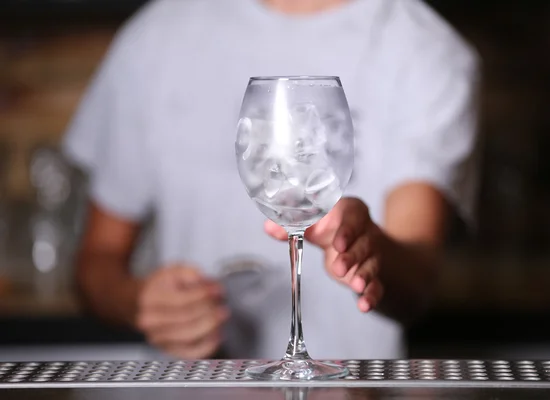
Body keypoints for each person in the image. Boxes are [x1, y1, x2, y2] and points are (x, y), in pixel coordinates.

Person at [62, 0, 480, 360]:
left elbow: (418, 277)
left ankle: (295, 355)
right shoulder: (156, 35)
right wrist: (138, 302)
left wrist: (366, 246)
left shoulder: (425, 48)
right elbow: (95, 264)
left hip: (348, 390)